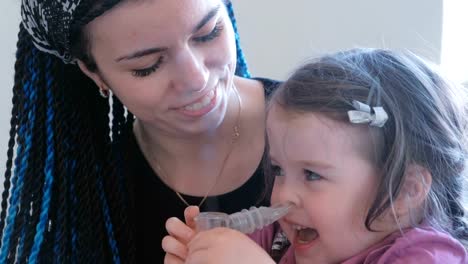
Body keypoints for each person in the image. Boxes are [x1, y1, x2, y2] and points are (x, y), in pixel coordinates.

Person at [0, 0, 280, 263]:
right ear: (94, 72)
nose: (196, 79)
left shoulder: (321, 120)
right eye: (148, 66)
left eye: (208, 33)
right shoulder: (89, 209)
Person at [164, 48, 468, 263]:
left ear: (403, 192)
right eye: (279, 170)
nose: (284, 196)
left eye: (312, 174)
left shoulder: (427, 257)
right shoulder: (277, 240)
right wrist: (201, 252)